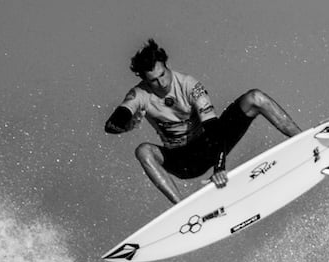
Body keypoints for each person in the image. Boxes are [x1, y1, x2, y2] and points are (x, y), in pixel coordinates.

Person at [104, 39, 301, 204]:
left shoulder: (190, 85)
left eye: (163, 74)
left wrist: (219, 168)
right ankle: (181, 209)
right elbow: (112, 124)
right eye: (153, 80)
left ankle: (304, 140)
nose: (161, 83)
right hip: (182, 161)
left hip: (210, 145)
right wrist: (124, 126)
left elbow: (214, 130)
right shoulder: (139, 94)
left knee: (255, 97)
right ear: (145, 80)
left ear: (167, 66)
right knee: (143, 150)